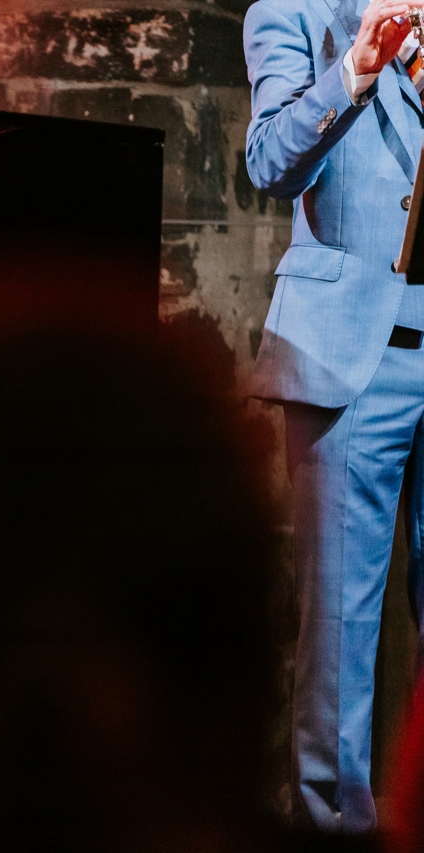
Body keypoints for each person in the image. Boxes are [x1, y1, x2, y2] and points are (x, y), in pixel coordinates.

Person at [245, 0, 424, 832]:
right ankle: (331, 829)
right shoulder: (290, 11)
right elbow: (269, 161)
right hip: (353, 354)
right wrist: (355, 69)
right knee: (341, 630)